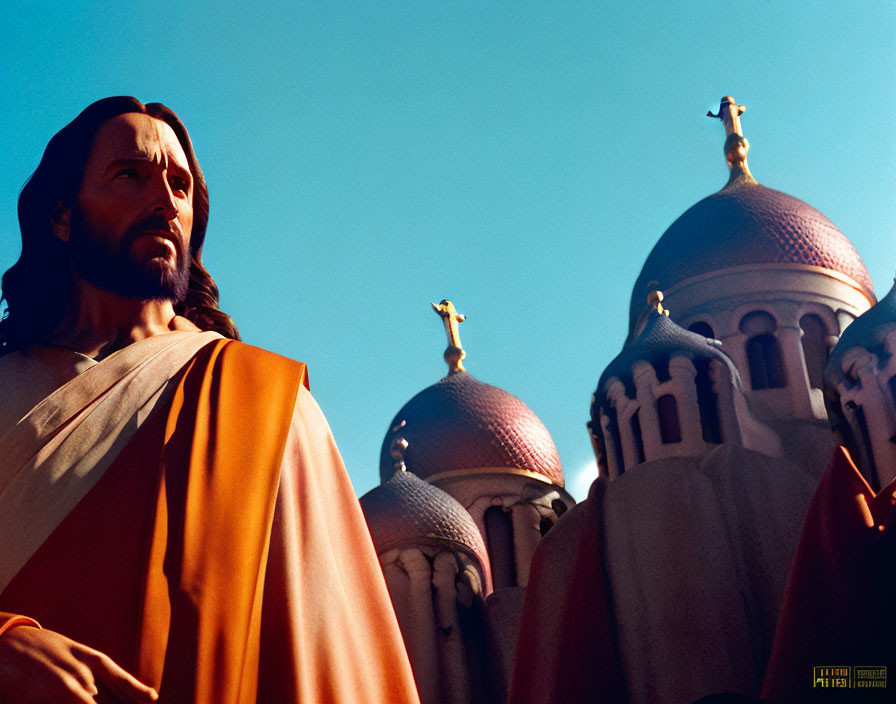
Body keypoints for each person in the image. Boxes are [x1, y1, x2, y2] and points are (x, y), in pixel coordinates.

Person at [0, 97, 420, 703]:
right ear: (63, 216)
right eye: (131, 174)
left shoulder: (266, 405)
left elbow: (332, 664)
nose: (165, 199)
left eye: (181, 185)